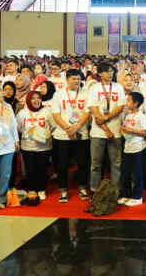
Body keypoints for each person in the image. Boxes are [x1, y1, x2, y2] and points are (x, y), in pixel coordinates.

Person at [50, 69, 91, 203]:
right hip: (62, 135)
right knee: (62, 164)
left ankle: (82, 188)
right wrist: (68, 129)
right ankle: (63, 190)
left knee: (82, 163)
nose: (76, 81)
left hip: (81, 133)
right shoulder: (58, 94)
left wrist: (76, 127)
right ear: (67, 79)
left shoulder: (85, 93)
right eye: (73, 78)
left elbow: (88, 113)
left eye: (78, 79)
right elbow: (56, 114)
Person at [87, 63, 126, 191]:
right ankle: (95, 190)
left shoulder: (118, 87)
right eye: (107, 71)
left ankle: (116, 190)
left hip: (115, 130)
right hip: (98, 132)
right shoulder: (94, 88)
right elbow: (94, 109)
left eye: (111, 71)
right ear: (99, 73)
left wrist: (106, 118)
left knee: (116, 163)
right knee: (95, 164)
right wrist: (106, 129)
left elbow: (120, 107)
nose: (110, 74)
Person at [17, 91, 54, 201]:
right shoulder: (22, 113)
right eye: (33, 98)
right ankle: (32, 189)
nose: (36, 100)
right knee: (30, 169)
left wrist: (46, 134)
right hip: (27, 147)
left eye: (38, 98)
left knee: (42, 169)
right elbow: (18, 128)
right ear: (28, 100)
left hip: (44, 147)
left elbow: (53, 126)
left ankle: (41, 189)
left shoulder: (47, 111)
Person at [118, 92, 146, 207]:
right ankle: (126, 195)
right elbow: (126, 130)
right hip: (127, 147)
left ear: (136, 103)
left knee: (137, 174)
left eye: (129, 101)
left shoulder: (141, 116)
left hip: (137, 148)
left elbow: (145, 132)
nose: (126, 103)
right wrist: (123, 130)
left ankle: (137, 196)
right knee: (125, 173)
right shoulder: (128, 116)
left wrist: (130, 130)